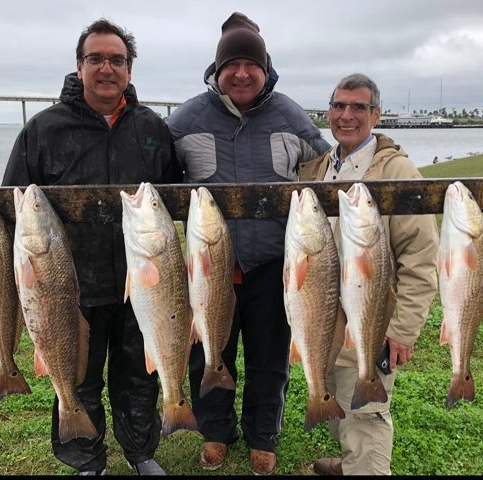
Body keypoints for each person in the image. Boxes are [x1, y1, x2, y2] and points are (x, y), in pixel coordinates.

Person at [2, 18, 183, 476]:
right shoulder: (43, 130)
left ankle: (141, 454)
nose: (107, 68)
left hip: (143, 283)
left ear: (129, 69)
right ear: (79, 65)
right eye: (96, 58)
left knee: (138, 376)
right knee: (78, 377)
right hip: (69, 284)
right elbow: (13, 204)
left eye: (117, 60)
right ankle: (87, 460)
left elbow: (172, 199)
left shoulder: (152, 128)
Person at [167, 11, 330, 476]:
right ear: (216, 71)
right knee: (208, 351)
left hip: (275, 266)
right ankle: (216, 431)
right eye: (231, 65)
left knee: (269, 356)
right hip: (208, 267)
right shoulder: (188, 118)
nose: (241, 74)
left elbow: (329, 171)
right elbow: (154, 175)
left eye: (251, 65)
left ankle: (263, 435)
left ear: (266, 69)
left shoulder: (290, 115)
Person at [298, 73, 439, 475]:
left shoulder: (398, 171)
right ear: (328, 112)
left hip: (371, 318)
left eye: (358, 107)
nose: (347, 115)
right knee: (336, 403)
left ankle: (365, 467)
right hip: (323, 317)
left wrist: (404, 327)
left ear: (376, 115)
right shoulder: (322, 166)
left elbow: (421, 255)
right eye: (339, 106)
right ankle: (349, 462)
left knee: (367, 416)